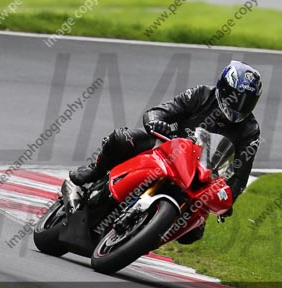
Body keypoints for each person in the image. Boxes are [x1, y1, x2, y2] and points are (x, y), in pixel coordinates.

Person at [67, 60, 262, 244]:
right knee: (122, 139)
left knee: (193, 232)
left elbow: (239, 176)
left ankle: (143, 234)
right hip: (167, 147)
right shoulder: (201, 94)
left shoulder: (250, 131)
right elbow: (161, 110)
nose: (239, 106)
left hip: (200, 175)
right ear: (224, 88)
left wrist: (227, 202)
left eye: (247, 101)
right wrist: (157, 122)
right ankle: (95, 170)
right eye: (236, 98)